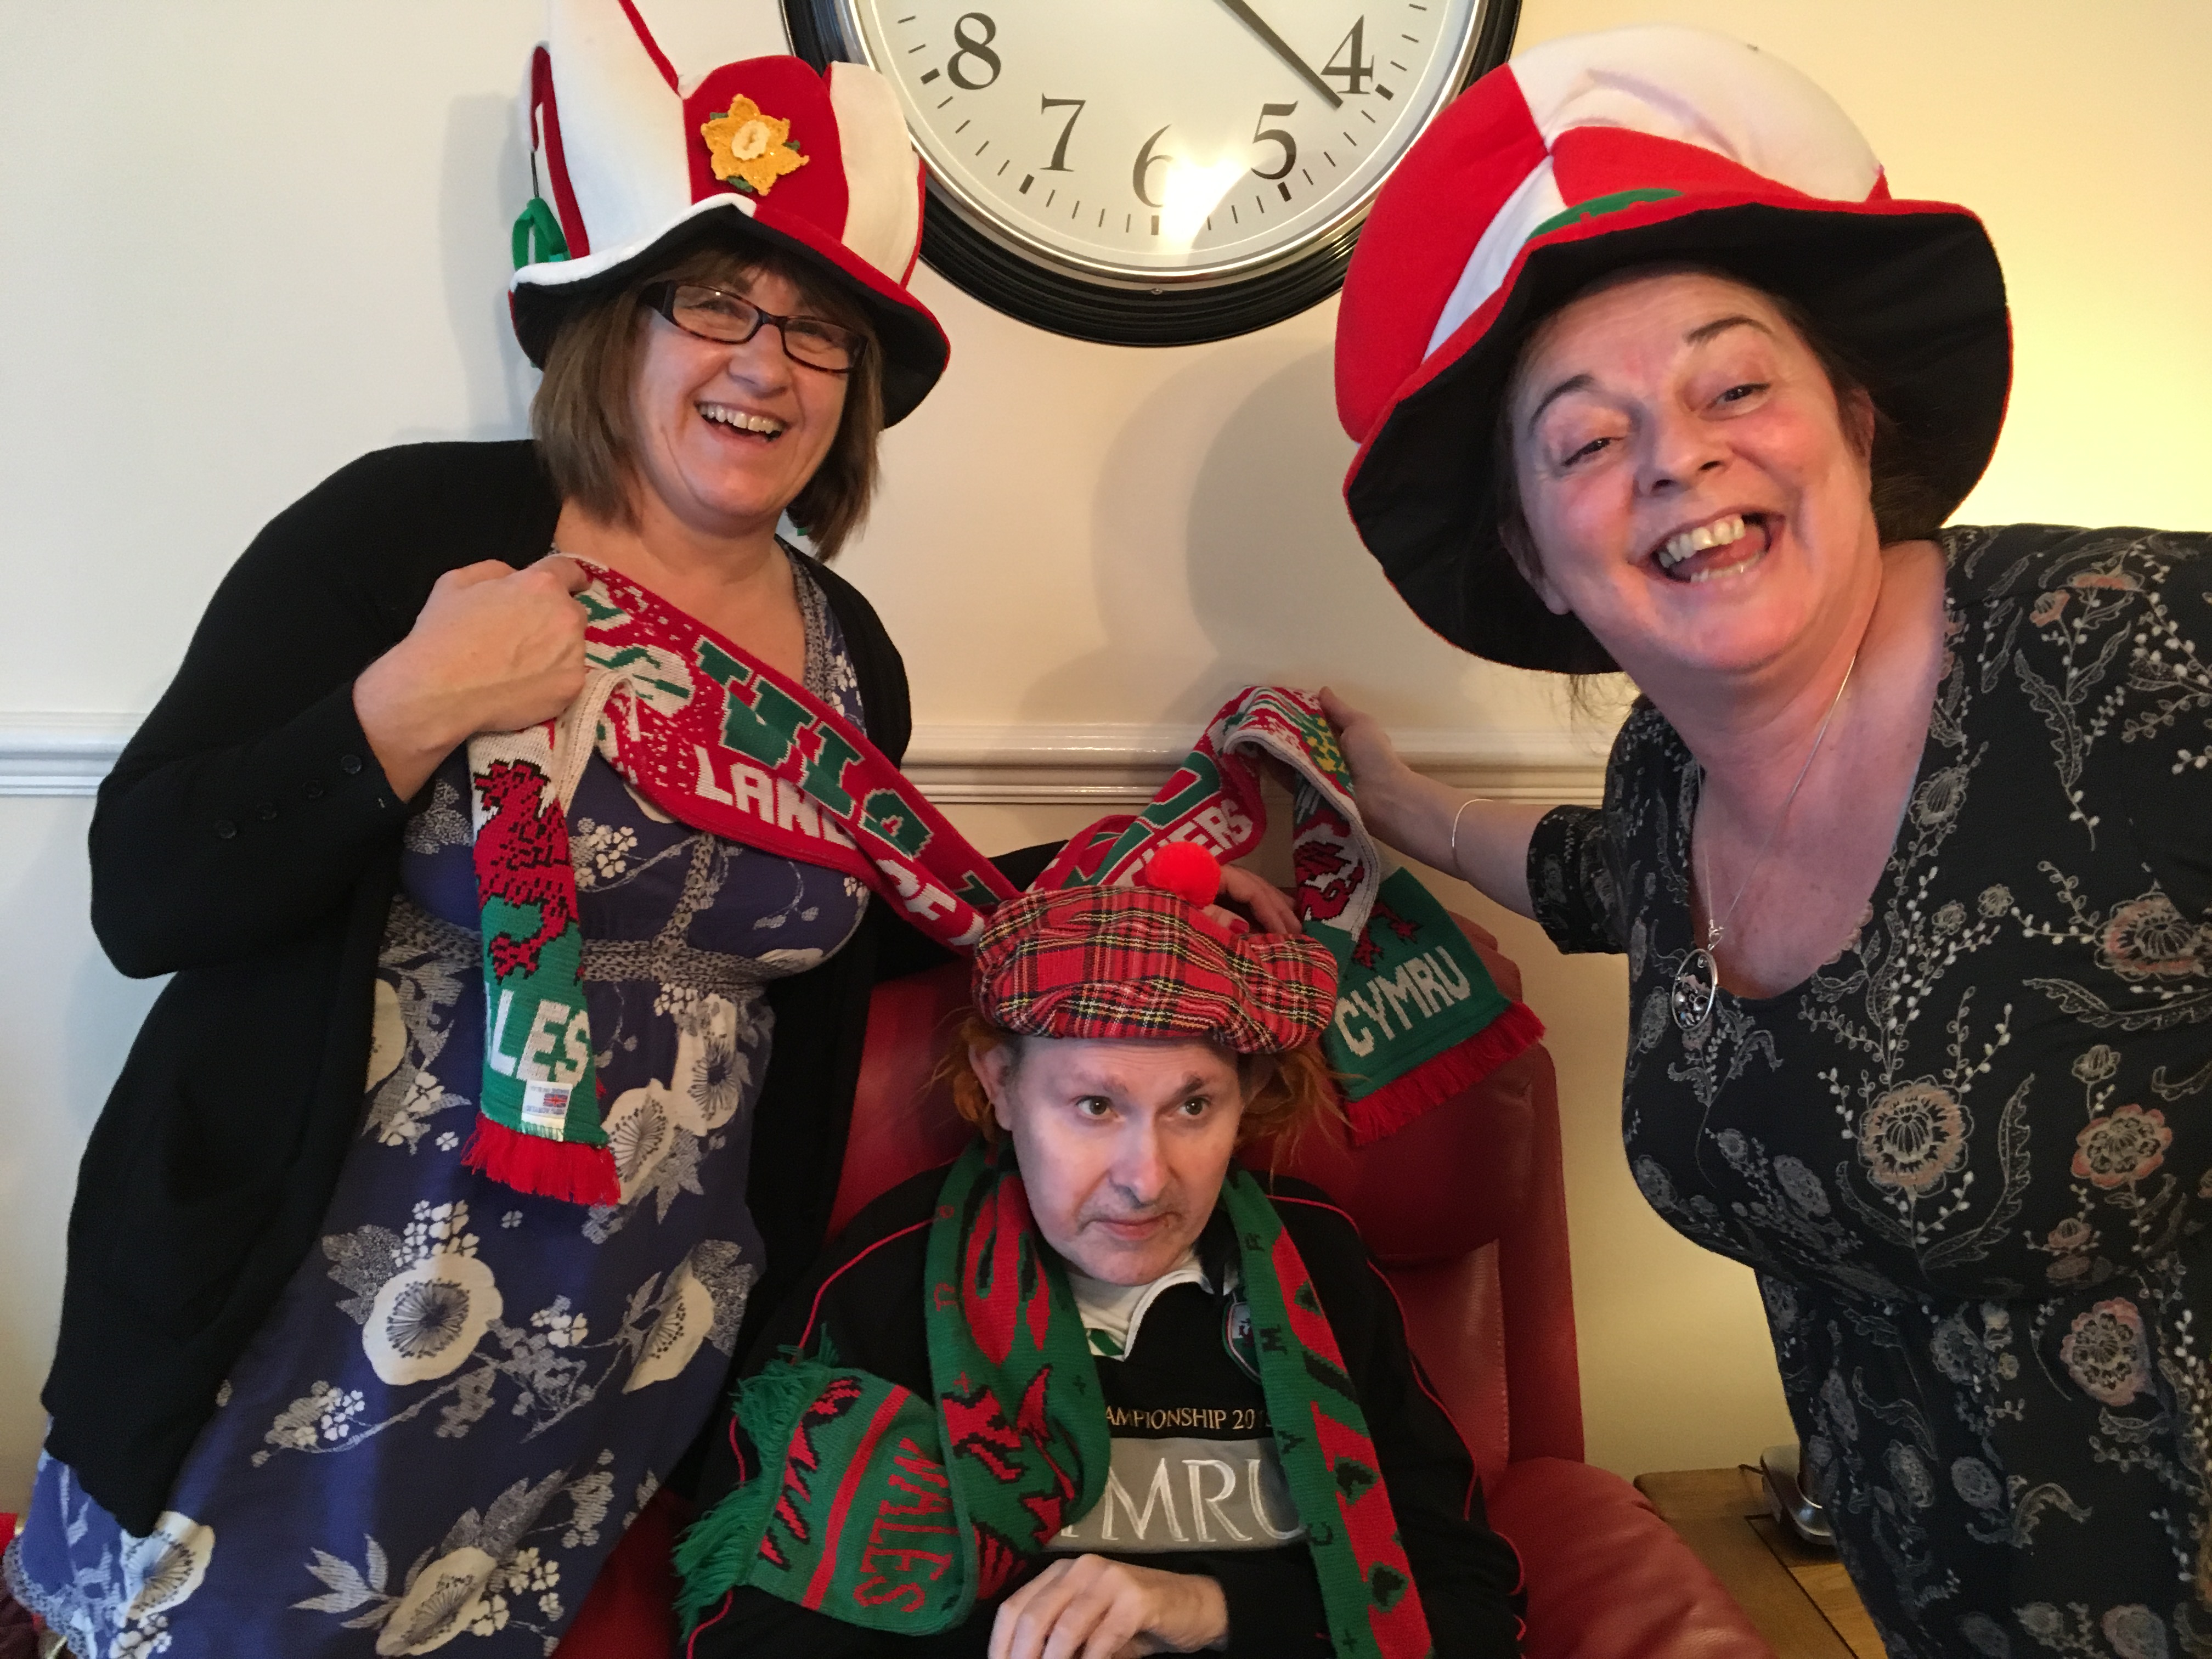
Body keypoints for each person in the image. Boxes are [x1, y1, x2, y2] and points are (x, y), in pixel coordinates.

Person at [0, 7, 1258, 1654]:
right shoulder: (407, 531)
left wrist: (1107, 875)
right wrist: (411, 702)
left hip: (620, 1339)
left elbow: (840, 921)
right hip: (306, 1321)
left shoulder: (847, 653)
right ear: (615, 320)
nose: (766, 364)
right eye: (715, 301)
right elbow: (147, 887)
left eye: (820, 332)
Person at [1323, 22, 2212, 1655]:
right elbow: (1591, 877)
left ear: (1855, 423)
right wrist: (1395, 803)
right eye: (1589, 441)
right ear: (1533, 556)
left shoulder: (2134, 653)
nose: (1680, 455)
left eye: (1735, 385)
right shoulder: (1666, 777)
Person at [675, 843, 1526, 1658]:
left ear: (1250, 1095)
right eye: (1094, 1107)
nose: (1146, 1180)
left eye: (1193, 1107)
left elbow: (1474, 1609)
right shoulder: (896, 1273)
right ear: (1002, 1086)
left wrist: (1208, 1609)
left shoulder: (1321, 1262)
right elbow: (752, 1635)